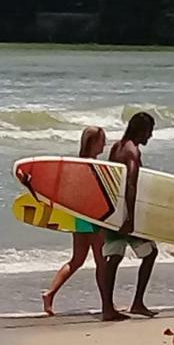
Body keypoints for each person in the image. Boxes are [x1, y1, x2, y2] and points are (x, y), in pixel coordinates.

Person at [42, 126, 107, 315]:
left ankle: (50, 294)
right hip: (93, 218)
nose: (104, 144)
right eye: (102, 141)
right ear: (94, 143)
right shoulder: (94, 167)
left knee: (77, 260)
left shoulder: (76, 165)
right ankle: (106, 305)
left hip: (79, 218)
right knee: (102, 262)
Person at [100, 112, 158, 321]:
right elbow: (131, 184)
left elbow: (111, 178)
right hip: (125, 213)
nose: (150, 135)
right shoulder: (133, 151)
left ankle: (107, 308)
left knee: (113, 258)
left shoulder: (117, 147)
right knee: (150, 254)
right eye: (149, 131)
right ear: (141, 130)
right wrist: (130, 218)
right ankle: (137, 303)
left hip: (113, 211)